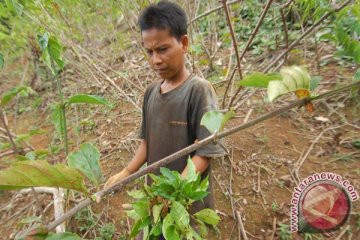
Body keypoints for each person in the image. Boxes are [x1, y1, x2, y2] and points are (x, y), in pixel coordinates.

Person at [104, 0, 225, 237]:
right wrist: (126, 172)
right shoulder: (151, 92)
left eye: (162, 49)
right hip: (155, 201)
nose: (155, 60)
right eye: (149, 52)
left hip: (186, 206)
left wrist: (173, 192)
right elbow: (146, 143)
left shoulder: (199, 91)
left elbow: (205, 154)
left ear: (184, 43)